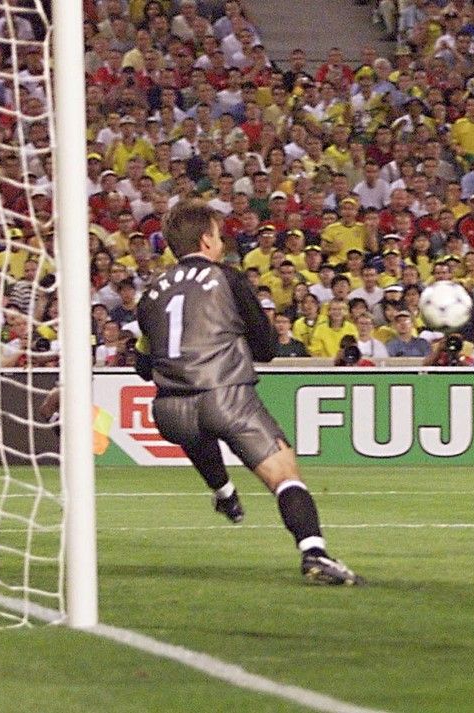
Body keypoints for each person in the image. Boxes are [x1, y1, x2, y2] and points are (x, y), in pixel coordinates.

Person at [135, 199, 361, 585]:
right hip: (225, 395)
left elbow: (143, 366)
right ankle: (314, 553)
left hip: (169, 408)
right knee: (285, 476)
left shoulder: (151, 293)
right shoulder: (227, 278)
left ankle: (224, 493)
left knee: (195, 429)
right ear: (207, 240)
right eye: (219, 235)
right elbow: (267, 349)